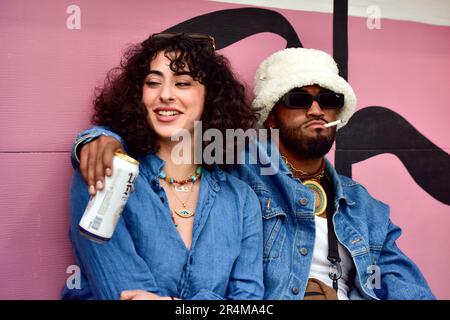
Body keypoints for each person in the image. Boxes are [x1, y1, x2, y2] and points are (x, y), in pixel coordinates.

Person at [71, 47, 435, 299]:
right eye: (297, 98)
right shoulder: (242, 163)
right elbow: (173, 133)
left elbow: (406, 287)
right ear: (271, 114)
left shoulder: (365, 206)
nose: (315, 109)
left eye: (329, 100)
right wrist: (99, 138)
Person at [62, 33, 264, 300]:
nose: (166, 95)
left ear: (210, 97)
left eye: (182, 83)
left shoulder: (241, 199)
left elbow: (249, 302)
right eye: (153, 82)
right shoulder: (105, 172)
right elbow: (123, 295)